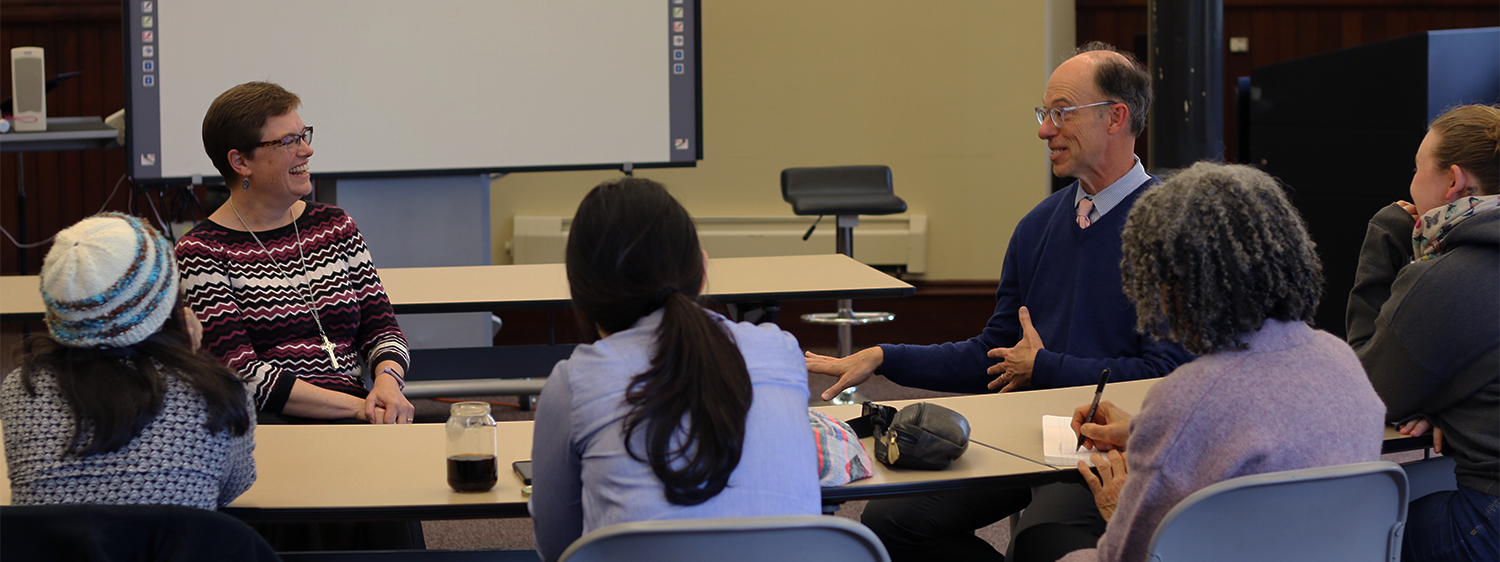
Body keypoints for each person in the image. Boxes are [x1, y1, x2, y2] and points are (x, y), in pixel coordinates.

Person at [806, 42, 1192, 561]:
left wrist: (1045, 367)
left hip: (1113, 448)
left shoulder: (1172, 229)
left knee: (1040, 542)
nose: (1044, 130)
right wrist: (885, 357)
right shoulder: (1037, 226)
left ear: (1115, 117)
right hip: (1027, 437)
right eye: (1044, 114)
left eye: (1060, 113)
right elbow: (994, 354)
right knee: (888, 522)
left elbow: (1166, 376)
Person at [1011, 162, 1388, 562]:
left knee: (1037, 542)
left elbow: (1128, 555)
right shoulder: (1342, 361)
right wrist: (1144, 431)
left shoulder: (1189, 396)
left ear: (1176, 283)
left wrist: (1118, 506)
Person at [529, 178, 820, 562]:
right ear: (702, 268)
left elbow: (558, 550)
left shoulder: (574, 383)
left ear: (578, 292)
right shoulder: (781, 350)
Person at [176, 81, 414, 425]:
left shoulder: (334, 225)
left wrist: (388, 384)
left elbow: (382, 329)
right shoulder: (201, 251)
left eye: (304, 136)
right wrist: (360, 407)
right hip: (271, 425)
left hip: (359, 410)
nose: (306, 151)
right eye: (288, 141)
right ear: (241, 161)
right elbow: (241, 373)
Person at [2, 213, 255, 509]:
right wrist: (188, 358)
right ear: (168, 302)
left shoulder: (21, 392)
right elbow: (227, 489)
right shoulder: (220, 395)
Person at [1346, 104, 1499, 562]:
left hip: (1488, 516)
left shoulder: (1445, 279)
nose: (1411, 182)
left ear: (1452, 181)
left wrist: (1386, 234)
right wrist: (1447, 403)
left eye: (1417, 169)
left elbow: (1365, 394)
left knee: (1344, 533)